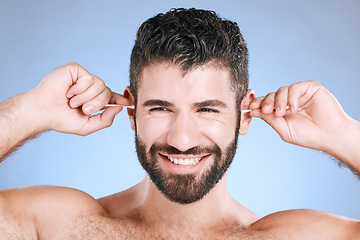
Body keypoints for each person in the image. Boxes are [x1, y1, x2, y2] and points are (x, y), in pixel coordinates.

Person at [0, 8, 359, 239]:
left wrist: (344, 135)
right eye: (160, 109)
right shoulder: (59, 227)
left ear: (244, 115)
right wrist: (29, 111)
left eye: (208, 110)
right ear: (131, 112)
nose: (183, 139)